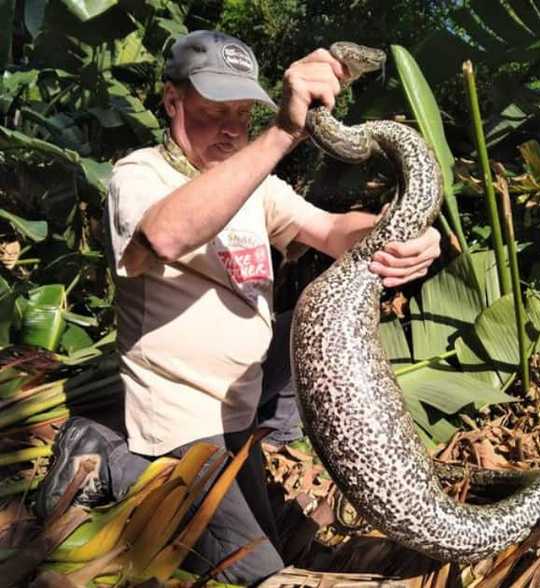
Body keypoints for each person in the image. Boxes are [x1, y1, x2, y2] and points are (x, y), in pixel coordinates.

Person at [34, 30, 441, 583]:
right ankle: (115, 458)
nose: (231, 129)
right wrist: (279, 134)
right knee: (259, 572)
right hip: (183, 419)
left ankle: (261, 430)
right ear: (173, 101)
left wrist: (404, 232)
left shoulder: (256, 186)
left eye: (244, 113)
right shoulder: (139, 175)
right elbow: (166, 235)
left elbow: (333, 230)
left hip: (242, 404)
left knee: (306, 326)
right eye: (213, 111)